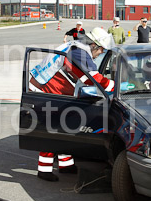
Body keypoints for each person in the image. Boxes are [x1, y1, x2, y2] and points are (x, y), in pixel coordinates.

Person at [29, 27, 115, 181]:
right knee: (52, 131)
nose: (99, 54)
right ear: (95, 45)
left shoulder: (76, 47)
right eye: (101, 51)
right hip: (46, 91)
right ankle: (44, 170)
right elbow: (91, 78)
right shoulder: (78, 52)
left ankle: (65, 164)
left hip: (50, 90)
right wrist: (114, 87)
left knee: (63, 128)